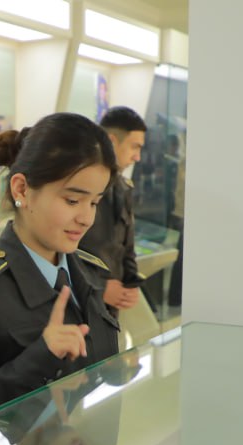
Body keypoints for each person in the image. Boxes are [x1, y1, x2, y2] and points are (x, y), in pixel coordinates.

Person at [0, 113, 122, 410]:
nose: (86, 218)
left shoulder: (93, 272)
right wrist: (41, 356)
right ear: (21, 190)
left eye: (94, 202)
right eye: (72, 200)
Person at [78, 106, 147, 314]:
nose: (138, 157)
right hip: (80, 305)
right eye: (134, 147)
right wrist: (99, 288)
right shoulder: (78, 187)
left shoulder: (124, 189)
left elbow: (126, 247)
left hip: (110, 310)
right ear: (111, 141)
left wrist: (131, 283)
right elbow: (59, 251)